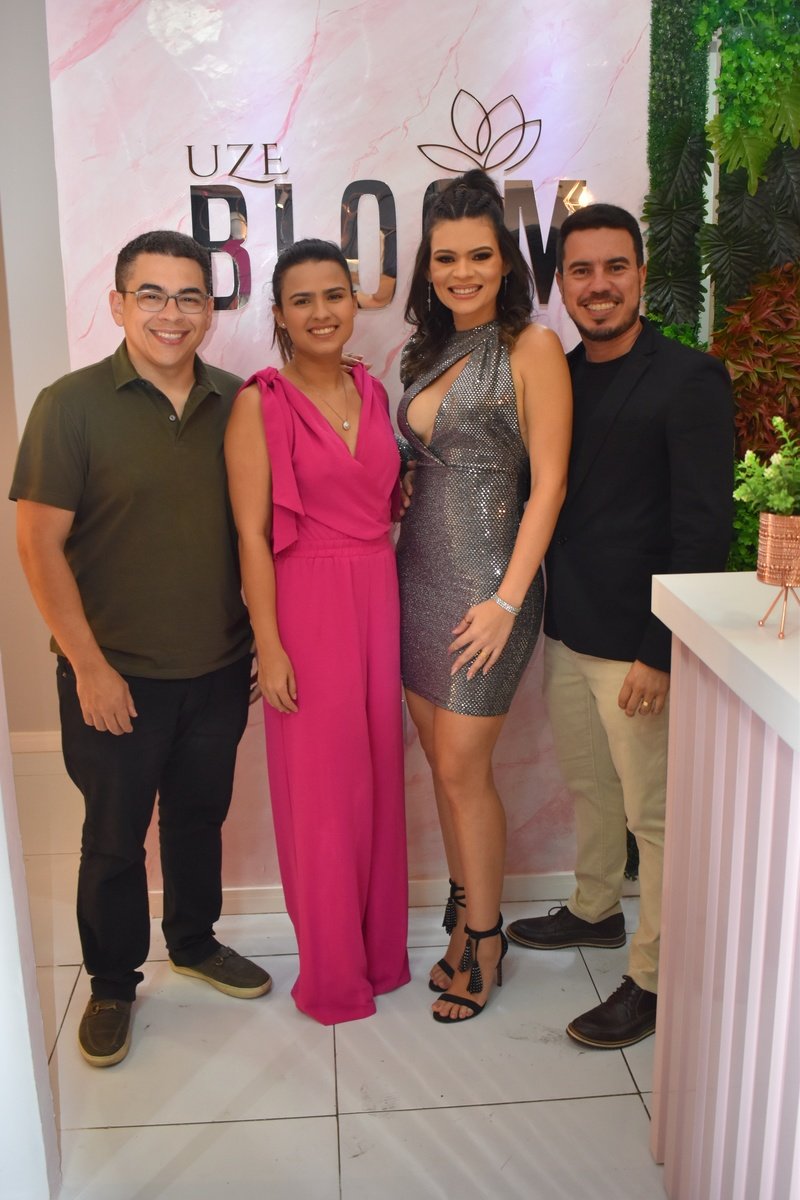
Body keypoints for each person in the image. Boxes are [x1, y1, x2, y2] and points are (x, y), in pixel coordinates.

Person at [10, 230, 271, 1069]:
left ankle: (193, 941)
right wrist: (88, 666)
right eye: (151, 295)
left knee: (198, 819)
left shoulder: (238, 402)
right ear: (119, 304)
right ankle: (114, 983)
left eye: (190, 296)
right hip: (113, 675)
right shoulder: (70, 405)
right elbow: (38, 546)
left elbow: (264, 529)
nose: (172, 313)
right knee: (115, 839)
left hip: (219, 669)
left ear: (210, 310)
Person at [507, 203, 733, 1048]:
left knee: (655, 817)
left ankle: (655, 978)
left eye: (614, 267)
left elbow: (703, 530)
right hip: (567, 629)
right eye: (581, 270)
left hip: (639, 646)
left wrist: (660, 651)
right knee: (591, 787)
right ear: (560, 283)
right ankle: (596, 907)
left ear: (641, 273)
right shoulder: (557, 376)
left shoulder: (690, 378)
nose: (598, 285)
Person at [396, 171, 572, 1023]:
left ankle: (486, 938)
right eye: (445, 258)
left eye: (478, 255)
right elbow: (420, 463)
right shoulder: (421, 353)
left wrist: (505, 602)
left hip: (489, 590)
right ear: (427, 268)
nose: (461, 272)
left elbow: (549, 487)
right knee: (442, 763)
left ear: (505, 262)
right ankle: (464, 909)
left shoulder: (532, 347)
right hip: (417, 578)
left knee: (466, 767)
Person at [224, 239, 410, 1025]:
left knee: (377, 784)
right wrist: (269, 644)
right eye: (302, 300)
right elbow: (251, 534)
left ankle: (378, 957)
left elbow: (381, 496)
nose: (321, 312)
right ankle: (333, 974)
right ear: (279, 315)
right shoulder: (259, 403)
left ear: (354, 302)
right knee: (324, 796)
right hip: (305, 604)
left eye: (334, 295)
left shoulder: (373, 391)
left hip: (378, 595)